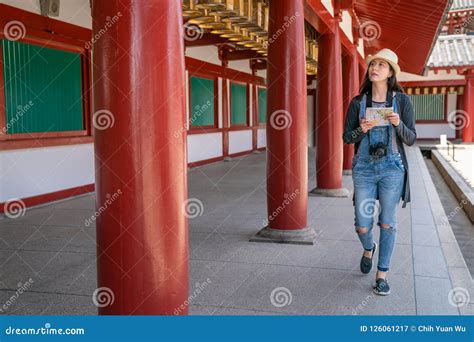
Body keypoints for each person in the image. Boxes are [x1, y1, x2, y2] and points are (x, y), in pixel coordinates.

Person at [342, 48, 416, 296]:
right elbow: (347, 137)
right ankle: (368, 247)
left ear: (390, 73)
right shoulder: (358, 102)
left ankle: (382, 274)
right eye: (373, 64)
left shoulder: (402, 101)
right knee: (362, 224)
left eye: (381, 65)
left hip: (392, 169)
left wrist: (398, 123)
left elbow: (411, 139)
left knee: (388, 223)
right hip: (363, 168)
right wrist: (361, 129)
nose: (375, 68)